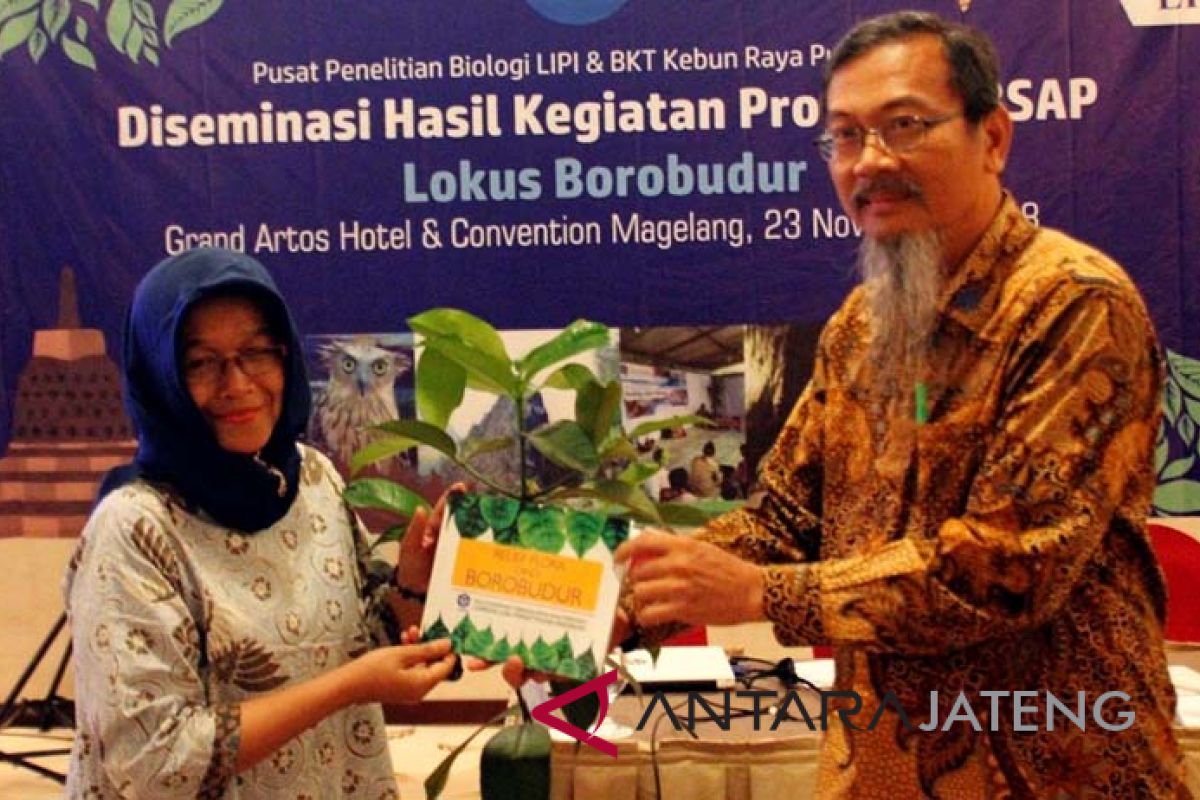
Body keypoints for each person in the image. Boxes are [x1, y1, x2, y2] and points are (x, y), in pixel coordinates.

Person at [616, 11, 1192, 797]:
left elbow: (1003, 570)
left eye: (906, 126)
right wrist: (615, 606)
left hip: (1056, 764)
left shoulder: (1072, 304)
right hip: (879, 768)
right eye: (845, 137)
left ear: (993, 138)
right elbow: (782, 522)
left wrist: (759, 594)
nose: (870, 163)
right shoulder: (859, 328)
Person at [64, 248, 459, 798]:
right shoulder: (134, 530)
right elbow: (154, 762)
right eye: (201, 362)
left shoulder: (313, 479)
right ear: (160, 377)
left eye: (256, 353)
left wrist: (412, 582)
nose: (238, 383)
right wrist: (347, 689)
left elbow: (361, 640)